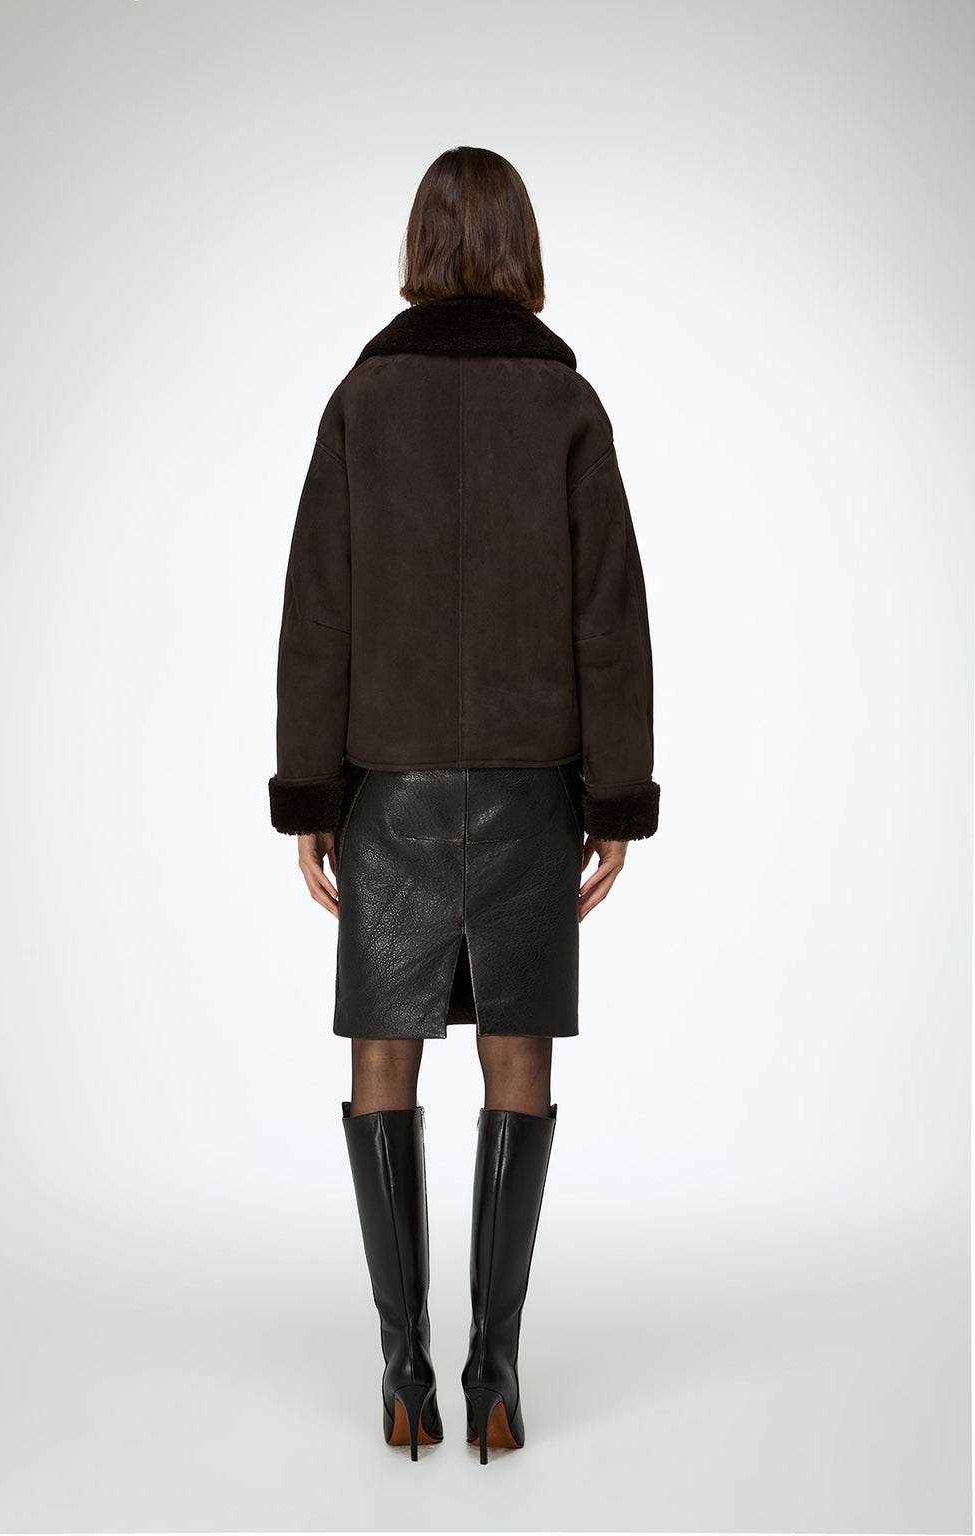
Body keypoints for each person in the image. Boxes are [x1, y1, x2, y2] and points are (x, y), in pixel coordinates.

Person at [267, 146, 660, 1463]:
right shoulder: (568, 406)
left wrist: (313, 793)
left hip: (388, 785)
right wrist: (615, 799)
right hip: (533, 787)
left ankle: (403, 1375)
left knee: (381, 1055)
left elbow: (318, 609)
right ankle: (495, 1375)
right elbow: (610, 618)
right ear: (521, 248)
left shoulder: (360, 401)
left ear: (421, 248)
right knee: (518, 1059)